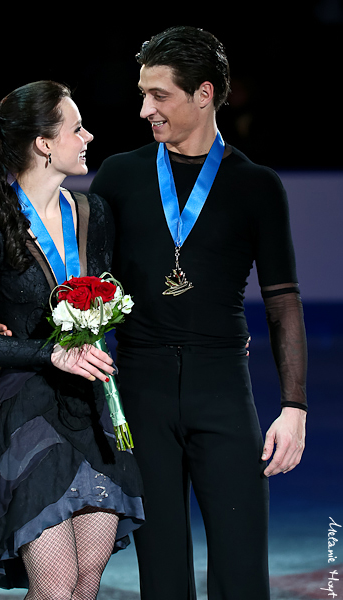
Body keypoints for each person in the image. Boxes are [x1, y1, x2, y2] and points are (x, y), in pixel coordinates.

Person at [88, 26, 308, 600]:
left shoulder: (257, 186)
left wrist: (295, 406)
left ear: (203, 93)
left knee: (241, 572)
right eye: (143, 94)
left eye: (159, 95)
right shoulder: (119, 175)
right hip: (141, 387)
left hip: (222, 389)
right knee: (162, 575)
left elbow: (283, 300)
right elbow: (79, 275)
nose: (144, 109)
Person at [0, 80, 144, 599]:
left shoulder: (92, 213)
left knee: (85, 583)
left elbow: (111, 301)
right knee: (56, 586)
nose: (88, 135)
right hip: (30, 412)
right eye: (76, 127)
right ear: (43, 143)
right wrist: (50, 352)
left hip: (96, 407)